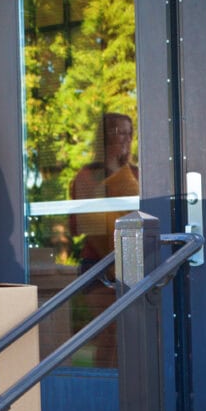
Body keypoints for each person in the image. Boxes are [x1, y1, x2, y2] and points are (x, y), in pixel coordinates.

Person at [67, 112, 140, 367]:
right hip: (100, 265)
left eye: (129, 133)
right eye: (118, 132)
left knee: (134, 334)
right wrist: (112, 169)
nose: (125, 138)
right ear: (103, 138)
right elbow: (81, 225)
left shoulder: (137, 173)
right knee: (110, 334)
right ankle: (105, 385)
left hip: (135, 262)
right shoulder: (87, 176)